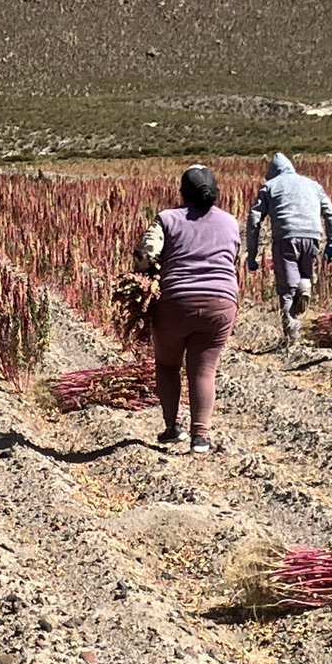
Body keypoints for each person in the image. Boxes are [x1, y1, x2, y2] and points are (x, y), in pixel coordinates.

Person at [134, 165, 240, 454]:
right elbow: (233, 258)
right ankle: (201, 437)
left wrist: (149, 271)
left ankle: (171, 429)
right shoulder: (231, 222)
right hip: (221, 303)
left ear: (182, 192)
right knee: (204, 369)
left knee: (168, 365)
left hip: (176, 302)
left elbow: (145, 255)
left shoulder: (168, 218)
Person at [245, 152, 332, 344]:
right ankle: (305, 287)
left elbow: (254, 219)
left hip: (286, 238)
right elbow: (331, 214)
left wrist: (253, 254)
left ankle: (291, 337)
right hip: (312, 236)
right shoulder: (313, 185)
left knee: (286, 289)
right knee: (305, 275)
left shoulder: (270, 186)